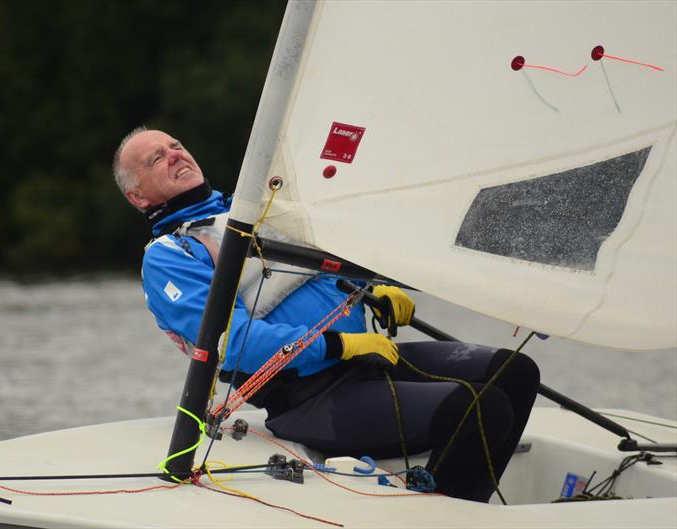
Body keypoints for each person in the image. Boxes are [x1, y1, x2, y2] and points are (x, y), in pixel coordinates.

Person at [113, 127, 540, 502]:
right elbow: (232, 343)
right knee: (480, 408)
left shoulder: (258, 208)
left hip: (367, 364)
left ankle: (450, 501)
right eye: (155, 159)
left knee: (516, 371)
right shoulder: (170, 256)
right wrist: (340, 344)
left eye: (174, 145)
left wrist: (372, 290)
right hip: (309, 398)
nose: (173, 154)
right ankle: (448, 514)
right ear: (138, 196)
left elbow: (321, 268)